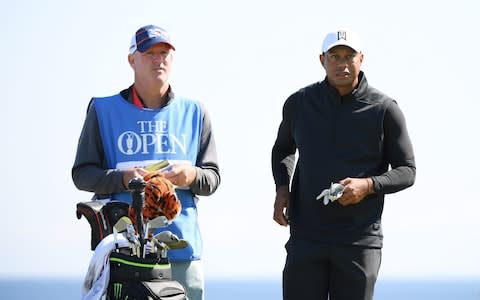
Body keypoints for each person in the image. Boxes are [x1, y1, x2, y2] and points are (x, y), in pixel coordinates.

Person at [72, 24, 221, 300]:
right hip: (121, 255)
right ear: (132, 60)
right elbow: (82, 174)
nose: (158, 59)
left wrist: (190, 176)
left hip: (181, 254)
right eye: (149, 52)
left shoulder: (195, 112)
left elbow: (212, 179)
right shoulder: (103, 110)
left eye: (164, 52)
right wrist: (124, 179)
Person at [271, 29, 416, 300]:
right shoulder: (299, 104)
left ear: (361, 59)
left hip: (358, 242)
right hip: (306, 237)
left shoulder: (384, 109)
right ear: (322, 60)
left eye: (349, 56)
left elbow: (407, 170)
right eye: (334, 56)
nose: (342, 63)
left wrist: (368, 185)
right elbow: (282, 150)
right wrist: (282, 189)